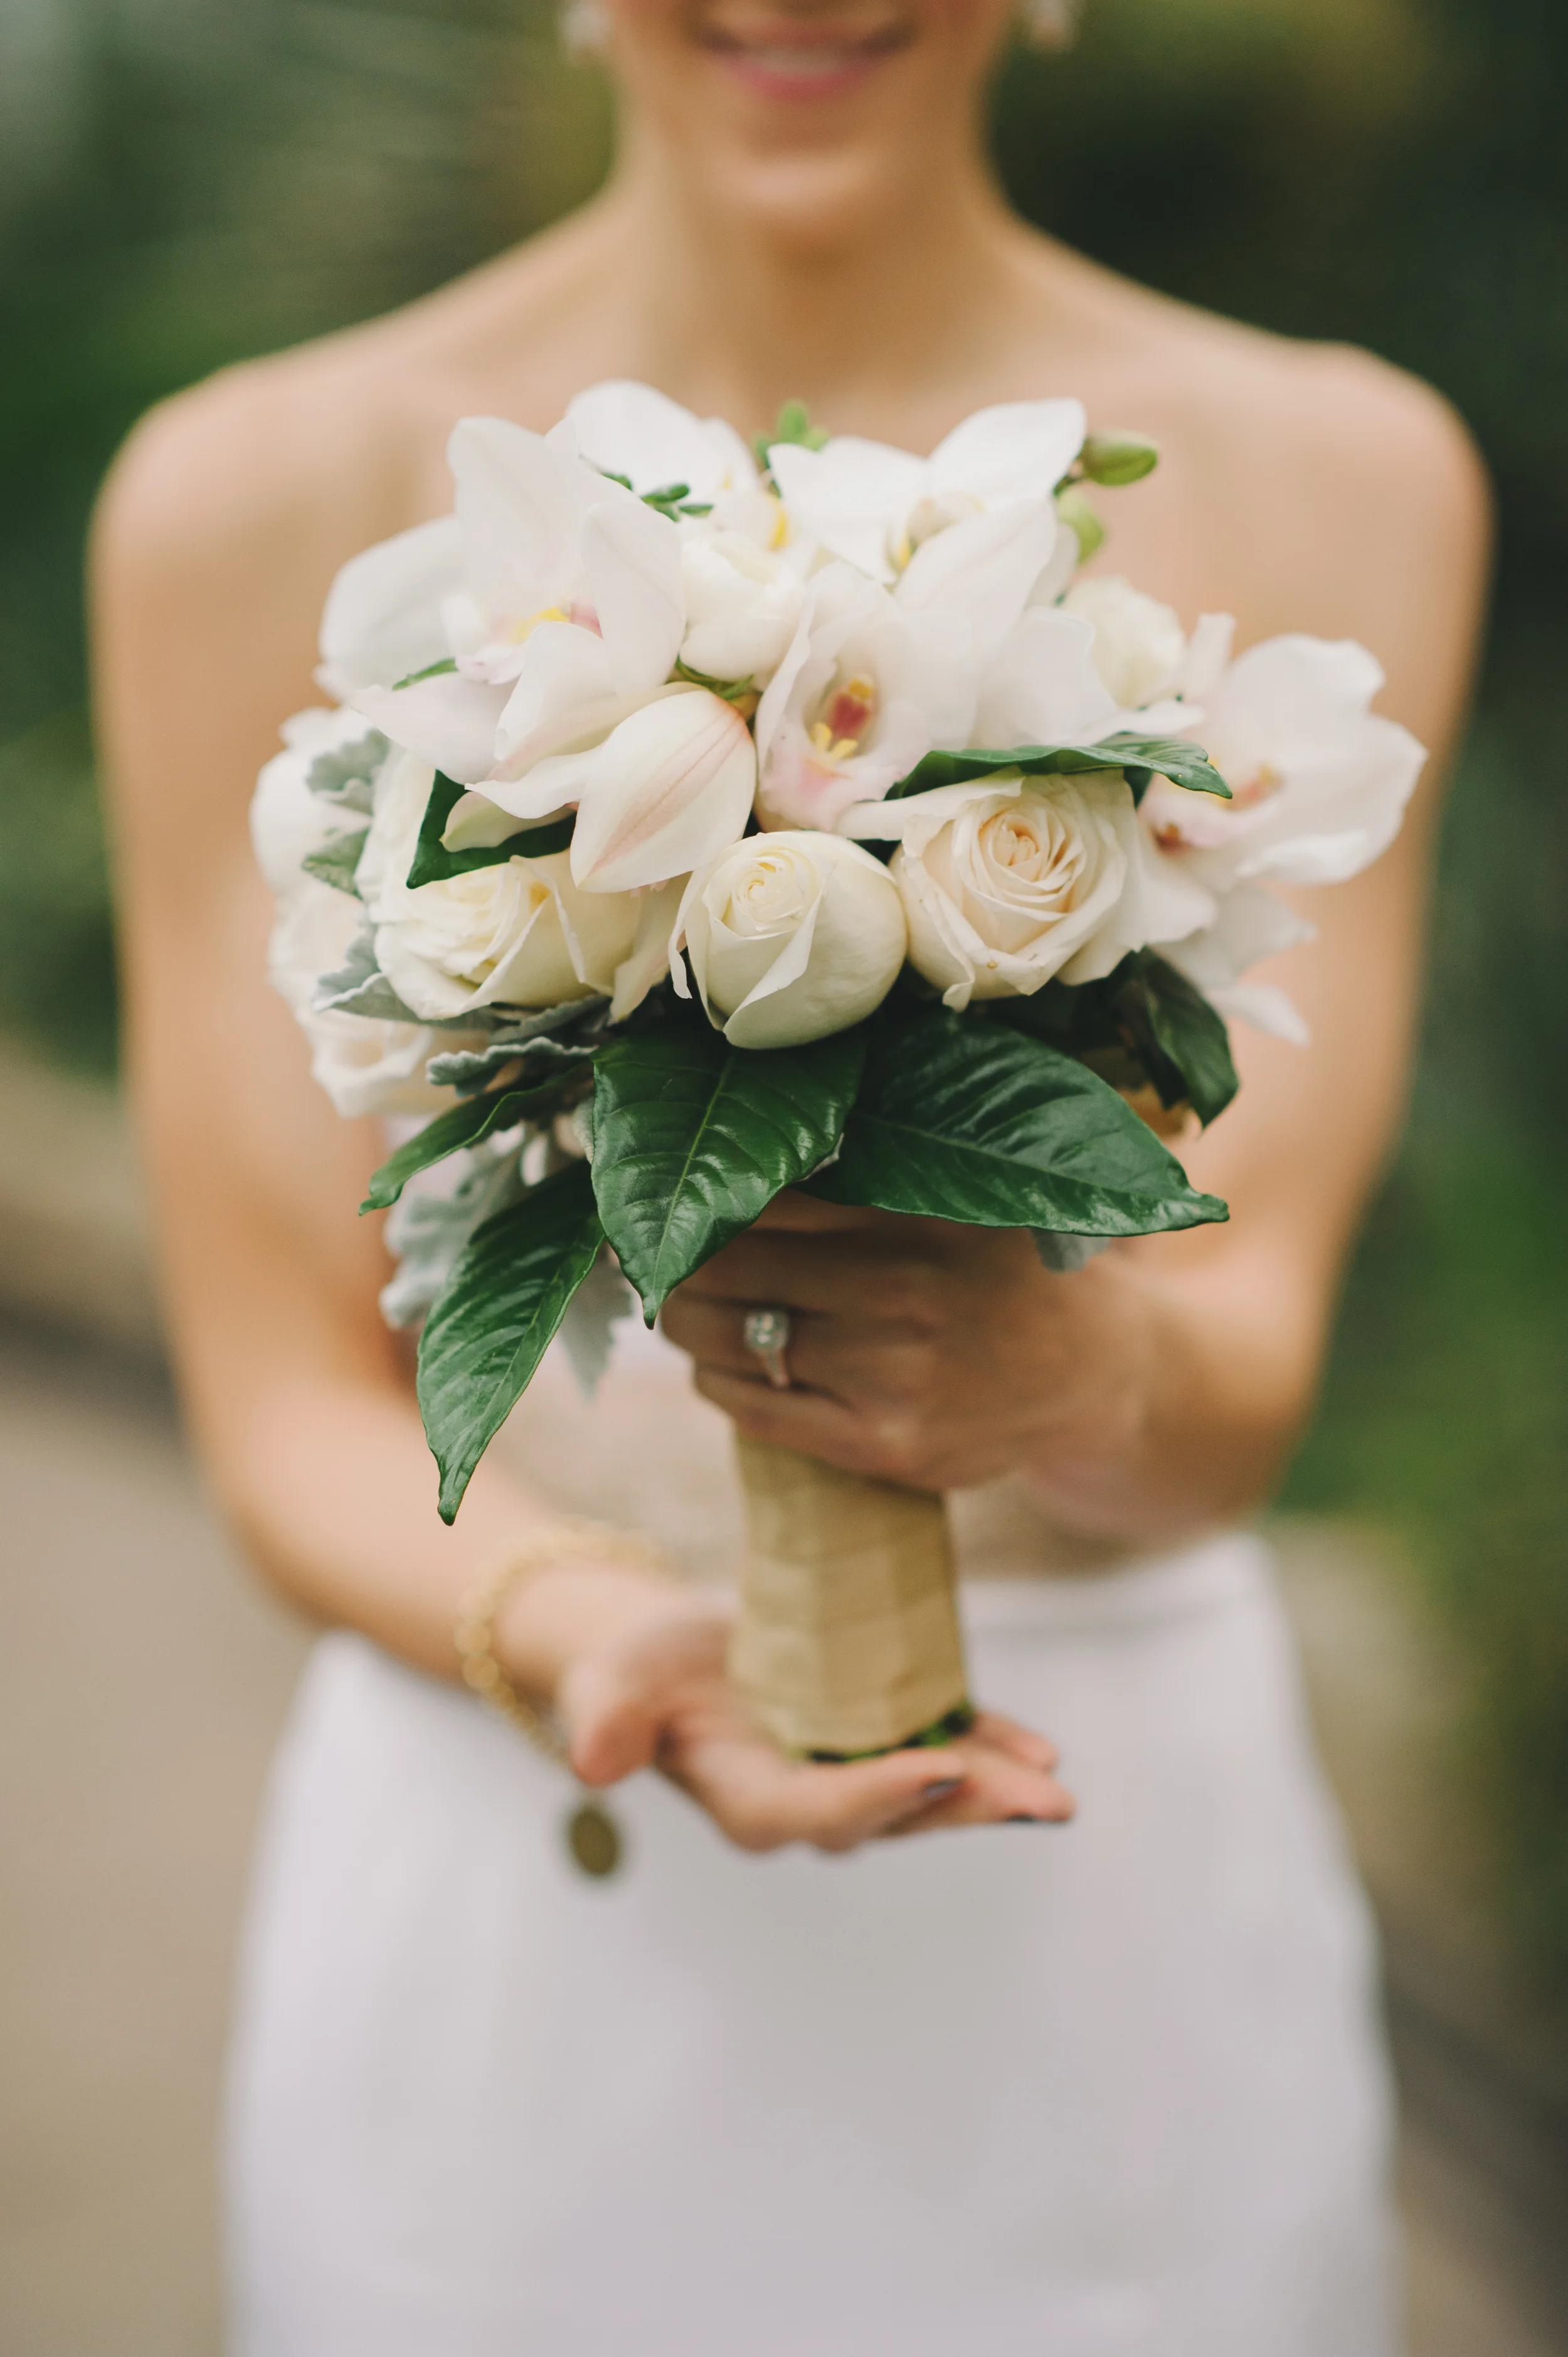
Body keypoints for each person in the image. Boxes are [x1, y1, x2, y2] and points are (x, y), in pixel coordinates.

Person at [92, 4, 1490, 2351]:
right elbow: (284, 1399)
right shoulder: (243, 496)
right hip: (537, 1886)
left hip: (1100, 1887)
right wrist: (599, 1636)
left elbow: (1243, 1378)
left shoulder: (1342, 467)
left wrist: (1067, 1357)